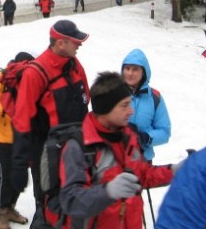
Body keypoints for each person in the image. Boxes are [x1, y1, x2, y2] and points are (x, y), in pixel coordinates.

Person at [56, 71, 175, 229]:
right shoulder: (79, 146)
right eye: (124, 105)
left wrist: (175, 171)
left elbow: (142, 175)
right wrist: (108, 192)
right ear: (105, 108)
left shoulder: (128, 136)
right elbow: (71, 200)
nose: (131, 111)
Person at [11, 20, 90, 226]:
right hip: (47, 156)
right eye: (75, 41)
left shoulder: (74, 64)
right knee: (49, 208)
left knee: (76, 204)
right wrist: (19, 164)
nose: (79, 45)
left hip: (77, 150)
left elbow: (86, 101)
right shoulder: (35, 73)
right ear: (60, 43)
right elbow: (22, 119)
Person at [0, 52, 33, 229]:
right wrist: (5, 107)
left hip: (21, 134)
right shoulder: (1, 77)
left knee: (18, 173)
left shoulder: (32, 80)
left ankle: (10, 207)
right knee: (5, 174)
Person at [120, 48, 171, 162]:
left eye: (135, 69)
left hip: (143, 160)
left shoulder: (155, 98)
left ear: (143, 72)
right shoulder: (113, 93)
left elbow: (164, 131)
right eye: (127, 68)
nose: (130, 73)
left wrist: (146, 137)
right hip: (116, 158)